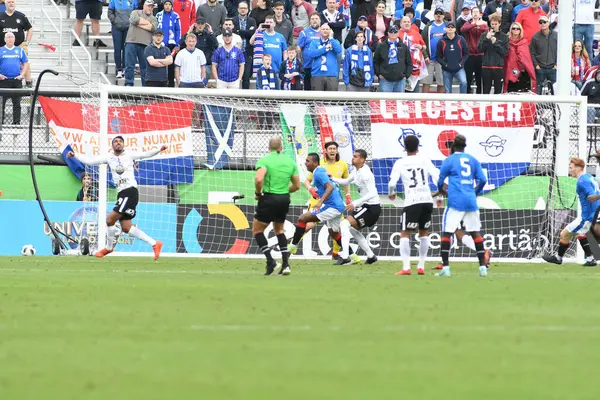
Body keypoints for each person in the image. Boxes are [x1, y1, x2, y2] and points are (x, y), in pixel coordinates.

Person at [66, 138, 166, 260]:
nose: (118, 143)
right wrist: (75, 155)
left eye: (120, 141)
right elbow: (90, 161)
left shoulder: (129, 155)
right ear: (112, 145)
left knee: (109, 219)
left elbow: (145, 154)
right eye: (116, 141)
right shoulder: (109, 157)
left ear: (123, 144)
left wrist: (159, 150)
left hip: (130, 191)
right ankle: (155, 243)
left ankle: (108, 248)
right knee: (126, 227)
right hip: (122, 193)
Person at [436, 134, 488, 277]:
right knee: (475, 232)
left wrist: (442, 191)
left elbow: (440, 181)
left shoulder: (450, 160)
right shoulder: (472, 160)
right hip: (471, 200)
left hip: (455, 201)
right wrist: (474, 192)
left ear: (453, 146)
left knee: (447, 232)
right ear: (465, 146)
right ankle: (482, 268)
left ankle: (446, 268)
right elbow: (483, 179)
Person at [288, 153, 355, 264]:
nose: (306, 163)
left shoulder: (319, 172)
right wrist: (316, 192)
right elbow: (327, 187)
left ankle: (293, 246)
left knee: (302, 218)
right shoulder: (320, 171)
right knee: (333, 232)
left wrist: (320, 202)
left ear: (315, 162)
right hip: (338, 205)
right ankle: (352, 255)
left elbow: (330, 187)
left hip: (332, 206)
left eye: (308, 161)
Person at [388, 135, 439, 275]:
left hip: (412, 201)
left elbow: (392, 183)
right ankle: (421, 266)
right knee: (424, 232)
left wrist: (391, 193)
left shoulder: (400, 162)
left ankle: (406, 268)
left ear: (404, 147)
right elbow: (438, 177)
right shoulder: (425, 160)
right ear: (418, 146)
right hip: (427, 200)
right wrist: (440, 193)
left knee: (405, 233)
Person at [253, 137, 301, 275]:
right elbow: (297, 185)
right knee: (279, 230)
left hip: (268, 197)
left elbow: (259, 178)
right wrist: (284, 192)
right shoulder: (290, 162)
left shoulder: (264, 160)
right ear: (281, 147)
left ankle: (271, 261)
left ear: (269, 147)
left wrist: (258, 193)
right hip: (284, 199)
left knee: (257, 230)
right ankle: (285, 264)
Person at [543, 157, 600, 267]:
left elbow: (592, 195)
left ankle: (558, 258)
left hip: (587, 216)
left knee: (564, 233)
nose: (570, 170)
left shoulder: (582, 181)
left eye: (571, 167)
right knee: (580, 233)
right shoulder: (589, 177)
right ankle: (590, 259)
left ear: (578, 168)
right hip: (592, 214)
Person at [301, 141, 351, 261]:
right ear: (326, 151)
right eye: (330, 149)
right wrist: (311, 189)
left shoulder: (343, 165)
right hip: (319, 199)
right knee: (309, 224)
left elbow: (346, 181)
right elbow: (307, 181)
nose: (332, 151)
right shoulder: (319, 165)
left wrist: (348, 195)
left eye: (334, 148)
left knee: (336, 228)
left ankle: (335, 253)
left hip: (333, 201)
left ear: (337, 151)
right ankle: (293, 244)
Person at [332, 149, 380, 265]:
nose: (353, 158)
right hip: (366, 207)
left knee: (344, 224)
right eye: (353, 156)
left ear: (362, 160)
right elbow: (346, 181)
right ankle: (371, 256)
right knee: (352, 230)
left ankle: (345, 256)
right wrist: (332, 178)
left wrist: (355, 203)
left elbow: (373, 193)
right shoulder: (356, 170)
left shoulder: (366, 174)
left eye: (356, 156)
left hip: (372, 208)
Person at [125, 0, 158, 87]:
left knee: (145, 68)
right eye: (149, 6)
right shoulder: (135, 12)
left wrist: (139, 24)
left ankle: (145, 87)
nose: (150, 8)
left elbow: (153, 28)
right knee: (129, 65)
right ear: (144, 5)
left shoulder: (154, 18)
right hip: (131, 41)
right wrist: (148, 24)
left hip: (145, 44)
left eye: (152, 6)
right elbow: (134, 19)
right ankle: (128, 84)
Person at [0, 0, 32, 87]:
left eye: (13, 2)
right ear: (5, 3)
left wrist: (27, 42)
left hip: (19, 45)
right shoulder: (0, 16)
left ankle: (29, 82)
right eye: (9, 2)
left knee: (25, 63)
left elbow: (30, 29)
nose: (11, 3)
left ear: (15, 3)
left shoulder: (21, 16)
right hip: (3, 46)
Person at [374, 25, 412, 92]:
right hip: (385, 79)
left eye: (395, 32)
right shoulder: (381, 46)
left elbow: (409, 62)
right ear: (388, 33)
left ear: (398, 33)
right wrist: (379, 74)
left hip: (400, 80)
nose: (393, 34)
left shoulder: (404, 46)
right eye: (391, 32)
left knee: (399, 102)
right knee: (385, 101)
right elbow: (376, 61)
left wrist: (406, 75)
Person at [0, 32, 28, 125]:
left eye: (12, 37)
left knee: (17, 104)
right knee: (1, 104)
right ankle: (1, 123)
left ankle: (16, 123)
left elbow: (26, 63)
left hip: (16, 81)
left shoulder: (19, 50)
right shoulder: (0, 50)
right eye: (8, 37)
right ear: (4, 39)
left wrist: (22, 75)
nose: (10, 39)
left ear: (14, 39)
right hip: (3, 81)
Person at [478, 14, 508, 94]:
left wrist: (495, 43)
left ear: (499, 24)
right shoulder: (484, 35)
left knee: (498, 92)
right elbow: (480, 49)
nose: (494, 26)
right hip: (486, 66)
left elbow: (504, 52)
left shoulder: (504, 37)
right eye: (492, 24)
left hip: (498, 67)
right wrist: (487, 39)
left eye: (496, 24)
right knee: (485, 91)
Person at [306, 23, 342, 91]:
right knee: (317, 100)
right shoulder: (314, 42)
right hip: (317, 74)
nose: (325, 31)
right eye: (323, 29)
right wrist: (324, 49)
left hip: (331, 75)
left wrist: (331, 38)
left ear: (330, 31)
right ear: (320, 30)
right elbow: (311, 54)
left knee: (331, 100)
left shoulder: (334, 41)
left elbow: (338, 50)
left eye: (327, 29)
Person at [460, 7, 487, 94]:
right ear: (471, 14)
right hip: (470, 55)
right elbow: (463, 29)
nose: (475, 14)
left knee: (479, 77)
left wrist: (479, 26)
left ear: (480, 14)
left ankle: (479, 95)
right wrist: (475, 24)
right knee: (468, 77)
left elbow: (486, 30)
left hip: (480, 55)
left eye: (477, 12)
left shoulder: (484, 23)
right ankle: (468, 94)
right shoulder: (468, 23)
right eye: (473, 12)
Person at [436, 21, 468, 93]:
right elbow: (438, 57)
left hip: (459, 68)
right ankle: (448, 103)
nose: (450, 28)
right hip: (446, 69)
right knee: (447, 90)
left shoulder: (461, 39)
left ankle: (462, 100)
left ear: (455, 29)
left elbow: (466, 54)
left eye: (452, 27)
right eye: (448, 27)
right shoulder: (441, 41)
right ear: (445, 29)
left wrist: (461, 63)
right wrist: (445, 65)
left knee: (464, 82)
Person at [108, 0, 137, 79]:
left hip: (128, 28)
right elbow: (110, 12)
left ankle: (125, 68)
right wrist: (115, 21)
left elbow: (136, 13)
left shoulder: (134, 1)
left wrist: (131, 23)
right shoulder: (113, 0)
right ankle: (119, 69)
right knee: (117, 49)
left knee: (126, 49)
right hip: (117, 28)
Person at [504, 21, 536, 93]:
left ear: (520, 30)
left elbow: (526, 57)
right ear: (511, 30)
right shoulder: (506, 41)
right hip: (509, 71)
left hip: (522, 72)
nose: (515, 30)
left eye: (518, 28)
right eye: (514, 28)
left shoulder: (524, 42)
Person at [420, 8, 445, 93]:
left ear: (443, 16)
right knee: (426, 82)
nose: (438, 15)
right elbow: (422, 42)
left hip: (442, 60)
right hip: (429, 59)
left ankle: (440, 103)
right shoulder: (428, 27)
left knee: (441, 82)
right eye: (437, 14)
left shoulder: (447, 26)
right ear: (434, 15)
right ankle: (424, 102)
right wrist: (425, 56)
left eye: (440, 14)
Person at [156, 0, 181, 87]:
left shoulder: (175, 15)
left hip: (171, 45)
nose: (167, 6)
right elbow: (155, 29)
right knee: (160, 65)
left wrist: (177, 44)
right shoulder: (158, 15)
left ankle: (171, 85)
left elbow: (178, 30)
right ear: (163, 5)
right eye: (166, 4)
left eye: (169, 4)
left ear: (172, 5)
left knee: (170, 67)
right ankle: (160, 85)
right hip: (160, 44)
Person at [530, 15, 557, 94]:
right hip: (540, 68)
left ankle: (554, 106)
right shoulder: (535, 37)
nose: (543, 24)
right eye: (540, 22)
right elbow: (532, 52)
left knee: (554, 91)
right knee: (538, 91)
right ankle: (537, 106)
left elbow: (560, 50)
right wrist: (536, 65)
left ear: (548, 23)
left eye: (544, 22)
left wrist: (556, 64)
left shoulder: (556, 35)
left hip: (552, 68)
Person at [233, 2, 256, 89]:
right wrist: (247, 32)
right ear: (238, 9)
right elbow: (233, 32)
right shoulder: (233, 20)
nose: (243, 10)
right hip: (235, 51)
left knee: (246, 76)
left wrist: (239, 31)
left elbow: (252, 33)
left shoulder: (252, 21)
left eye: (245, 8)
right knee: (234, 75)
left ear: (248, 10)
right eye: (241, 8)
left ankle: (245, 98)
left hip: (247, 51)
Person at [297, 12, 321, 91]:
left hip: (320, 66)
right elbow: (299, 48)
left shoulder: (324, 32)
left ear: (320, 20)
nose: (314, 21)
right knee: (308, 88)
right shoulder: (304, 32)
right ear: (309, 21)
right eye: (312, 19)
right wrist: (300, 59)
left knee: (318, 88)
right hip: (307, 65)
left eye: (316, 19)